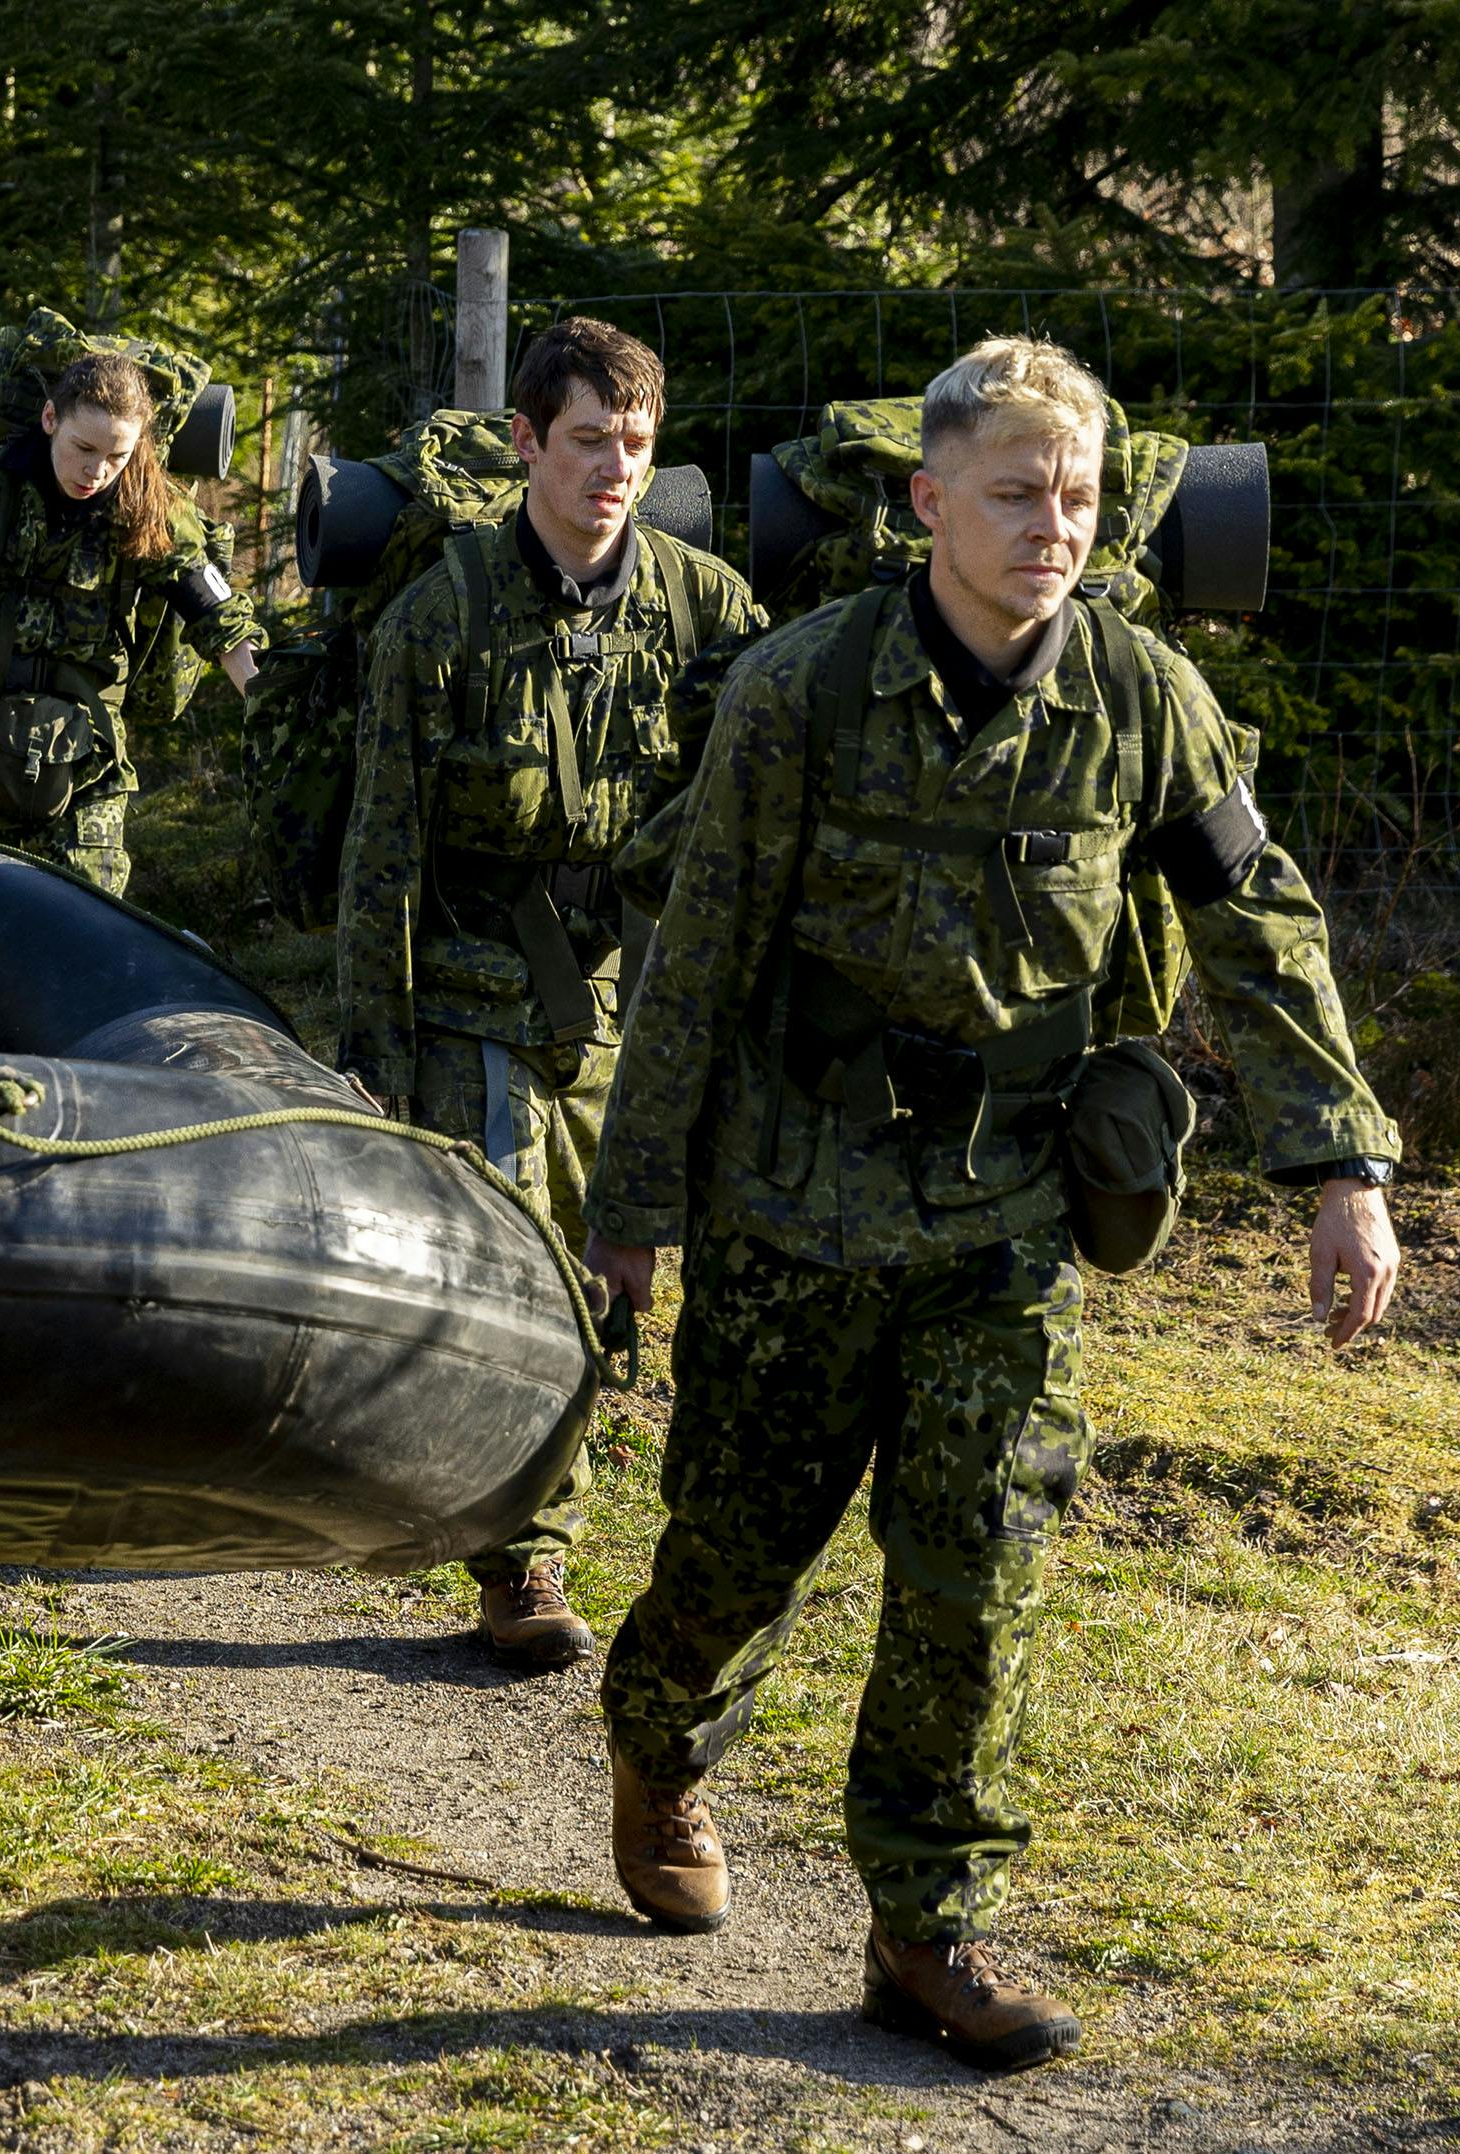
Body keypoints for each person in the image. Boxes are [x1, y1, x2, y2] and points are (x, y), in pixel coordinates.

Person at [577, 336, 1407, 2071]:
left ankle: (925, 1920)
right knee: (732, 1556)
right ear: (927, 499)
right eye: (1019, 493)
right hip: (792, 1206)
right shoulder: (799, 690)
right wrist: (631, 1200)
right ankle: (657, 1739)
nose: (1055, 527)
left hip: (1004, 1217)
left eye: (1083, 497)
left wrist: (1342, 1165)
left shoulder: (1141, 691)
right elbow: (697, 954)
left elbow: (1264, 923)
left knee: (979, 1556)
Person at [336, 317, 765, 1671]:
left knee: (608, 1272)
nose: (613, 470)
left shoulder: (705, 609)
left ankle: (526, 1496)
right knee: (519, 1264)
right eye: (588, 442)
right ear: (526, 441)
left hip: (636, 997)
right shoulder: (442, 613)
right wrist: (374, 1043)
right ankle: (525, 1557)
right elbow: (383, 847)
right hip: (473, 990)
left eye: (636, 445)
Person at [0, 352, 262, 892]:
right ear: (51, 420)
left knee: (88, 924)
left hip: (86, 760)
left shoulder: (152, 504)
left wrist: (269, 712)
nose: (97, 472)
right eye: (84, 449)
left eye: (117, 456)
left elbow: (220, 621)